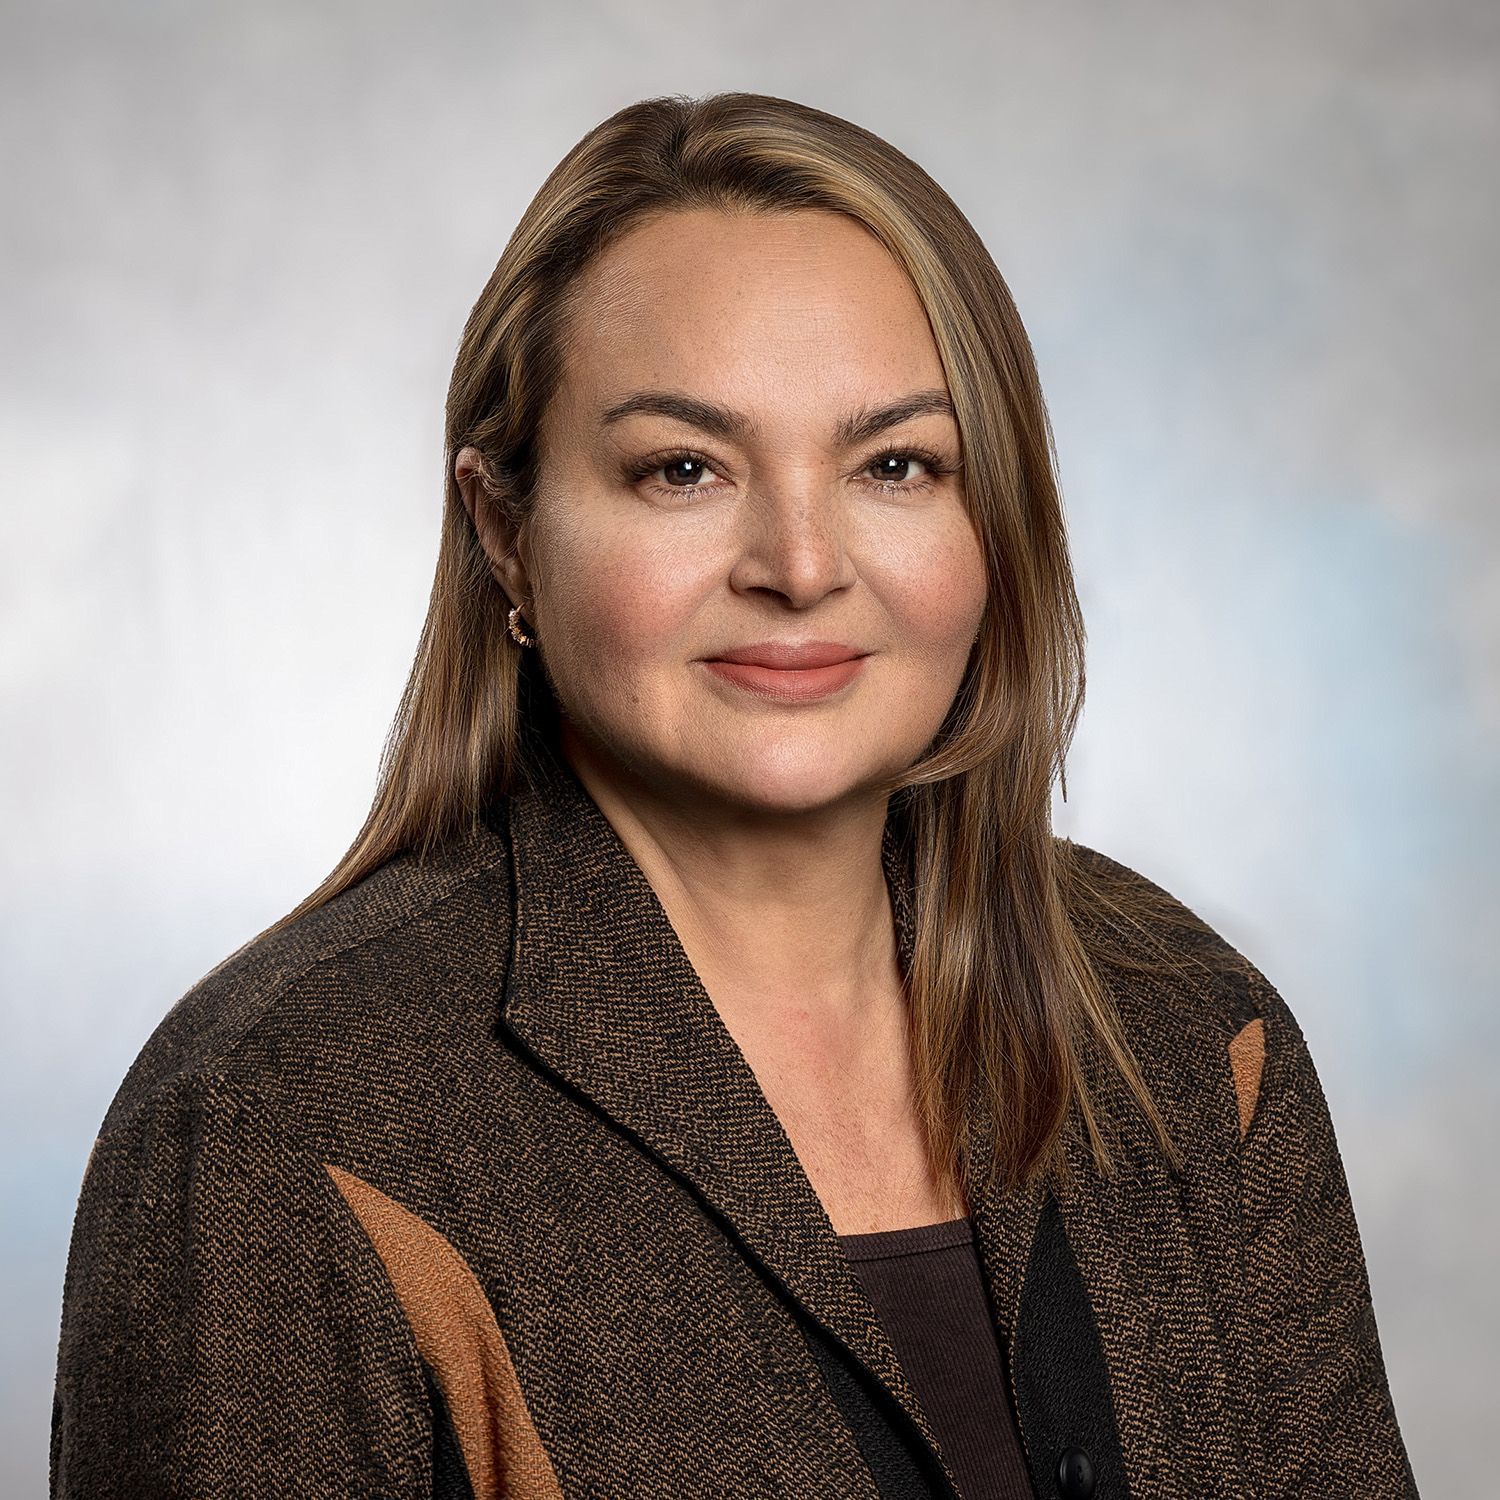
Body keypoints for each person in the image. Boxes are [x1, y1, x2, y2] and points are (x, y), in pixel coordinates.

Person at [50, 91, 1418, 1499]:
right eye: (684, 469)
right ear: (507, 533)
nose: (801, 567)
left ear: (995, 521)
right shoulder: (279, 1119)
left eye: (895, 465)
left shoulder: (1191, 1032)